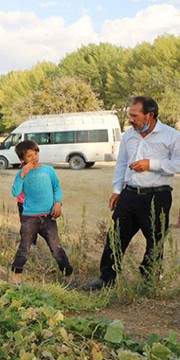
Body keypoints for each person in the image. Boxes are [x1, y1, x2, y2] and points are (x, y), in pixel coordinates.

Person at [83, 96, 180, 290]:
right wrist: (117, 189)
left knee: (155, 241)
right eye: (130, 115)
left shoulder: (171, 136)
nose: (130, 120)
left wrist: (150, 164)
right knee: (115, 236)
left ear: (149, 115)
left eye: (134, 115)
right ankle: (107, 278)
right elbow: (121, 164)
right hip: (129, 195)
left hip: (157, 196)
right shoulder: (129, 135)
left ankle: (149, 279)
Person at [9, 140, 74, 287]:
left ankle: (68, 274)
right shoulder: (21, 174)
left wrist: (58, 202)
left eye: (36, 153)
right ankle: (16, 273)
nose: (34, 158)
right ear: (22, 160)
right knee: (24, 247)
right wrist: (23, 174)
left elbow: (56, 187)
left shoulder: (48, 170)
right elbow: (15, 192)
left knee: (56, 248)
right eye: (29, 156)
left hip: (48, 217)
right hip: (29, 218)